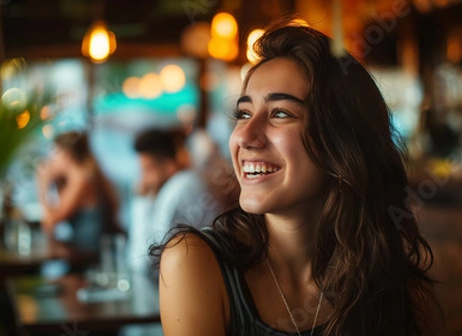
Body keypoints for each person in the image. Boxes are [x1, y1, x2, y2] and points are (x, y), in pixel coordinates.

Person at [151, 21, 441, 336]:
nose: (245, 135)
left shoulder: (390, 277)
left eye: (280, 113)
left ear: (342, 143)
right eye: (244, 114)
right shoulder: (195, 263)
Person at [129, 128, 221, 272]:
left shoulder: (177, 190)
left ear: (169, 166)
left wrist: (141, 200)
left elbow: (143, 262)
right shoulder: (186, 182)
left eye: (147, 170)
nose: (143, 180)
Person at [37, 131, 121, 253]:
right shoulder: (85, 173)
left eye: (54, 154)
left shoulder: (80, 179)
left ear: (67, 154)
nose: (52, 161)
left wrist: (42, 186)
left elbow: (50, 223)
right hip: (86, 248)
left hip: (87, 254)